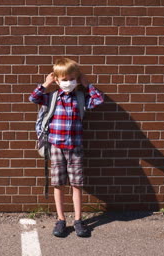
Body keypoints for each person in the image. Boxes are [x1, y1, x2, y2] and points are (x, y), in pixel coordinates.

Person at [29, 58, 104, 237]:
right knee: (59, 185)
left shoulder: (80, 98)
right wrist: (46, 84)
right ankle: (61, 219)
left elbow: (98, 100)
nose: (68, 83)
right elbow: (33, 98)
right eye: (64, 79)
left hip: (75, 148)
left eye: (72, 79)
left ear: (77, 79)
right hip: (56, 147)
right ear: (57, 79)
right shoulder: (52, 97)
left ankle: (78, 220)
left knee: (77, 185)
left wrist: (87, 85)